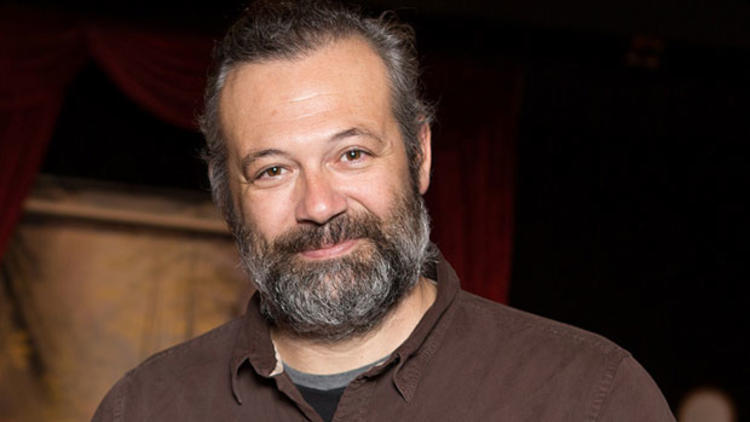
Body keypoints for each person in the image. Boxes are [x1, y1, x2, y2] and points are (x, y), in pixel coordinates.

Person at [93, 1, 675, 420]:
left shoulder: (589, 397)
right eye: (273, 170)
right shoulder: (143, 408)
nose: (319, 206)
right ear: (226, 195)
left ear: (420, 156)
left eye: (352, 154)